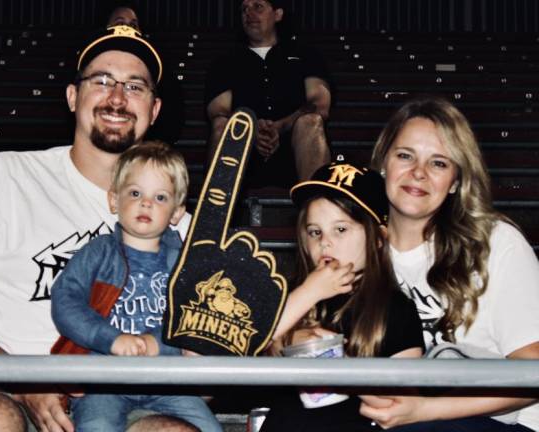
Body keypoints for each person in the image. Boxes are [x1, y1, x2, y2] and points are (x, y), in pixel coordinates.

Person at [0, 25, 196, 432]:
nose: (117, 97)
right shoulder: (5, 175)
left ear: (155, 110)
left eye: (134, 86)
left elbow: (197, 362)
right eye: (102, 81)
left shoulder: (176, 222)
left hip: (123, 400)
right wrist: (23, 381)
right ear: (73, 96)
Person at [360, 97, 539, 431]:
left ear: (456, 181)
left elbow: (534, 368)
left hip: (499, 422)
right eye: (405, 155)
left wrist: (425, 410)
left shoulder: (495, 242)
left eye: (439, 163)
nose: (418, 173)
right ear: (383, 163)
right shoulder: (356, 247)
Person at [50, 141, 221, 431]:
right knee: (96, 426)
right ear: (114, 200)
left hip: (168, 383)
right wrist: (111, 339)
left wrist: (160, 343)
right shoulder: (98, 252)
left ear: (177, 213)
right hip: (104, 380)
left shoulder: (184, 265)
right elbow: (65, 302)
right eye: (135, 193)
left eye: (161, 197)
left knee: (209, 428)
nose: (146, 203)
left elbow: (195, 323)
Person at [259, 161, 424, 431]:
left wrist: (336, 366)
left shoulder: (395, 307)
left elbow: (402, 404)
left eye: (341, 229)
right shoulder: (291, 294)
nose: (325, 242)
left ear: (378, 238)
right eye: (315, 232)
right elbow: (251, 343)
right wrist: (306, 300)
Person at [204, 0, 332, 190]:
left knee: (310, 122)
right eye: (244, 9)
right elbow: (218, 110)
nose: (249, 13)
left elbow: (320, 103)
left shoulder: (305, 54)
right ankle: (216, 213)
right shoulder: (226, 61)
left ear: (278, 14)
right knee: (223, 125)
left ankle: (316, 206)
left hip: (294, 148)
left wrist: (283, 125)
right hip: (242, 152)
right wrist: (251, 130)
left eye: (258, 6)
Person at [107, 2, 186, 146]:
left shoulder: (157, 68)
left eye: (133, 25)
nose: (127, 29)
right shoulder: (89, 65)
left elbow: (173, 117)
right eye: (120, 23)